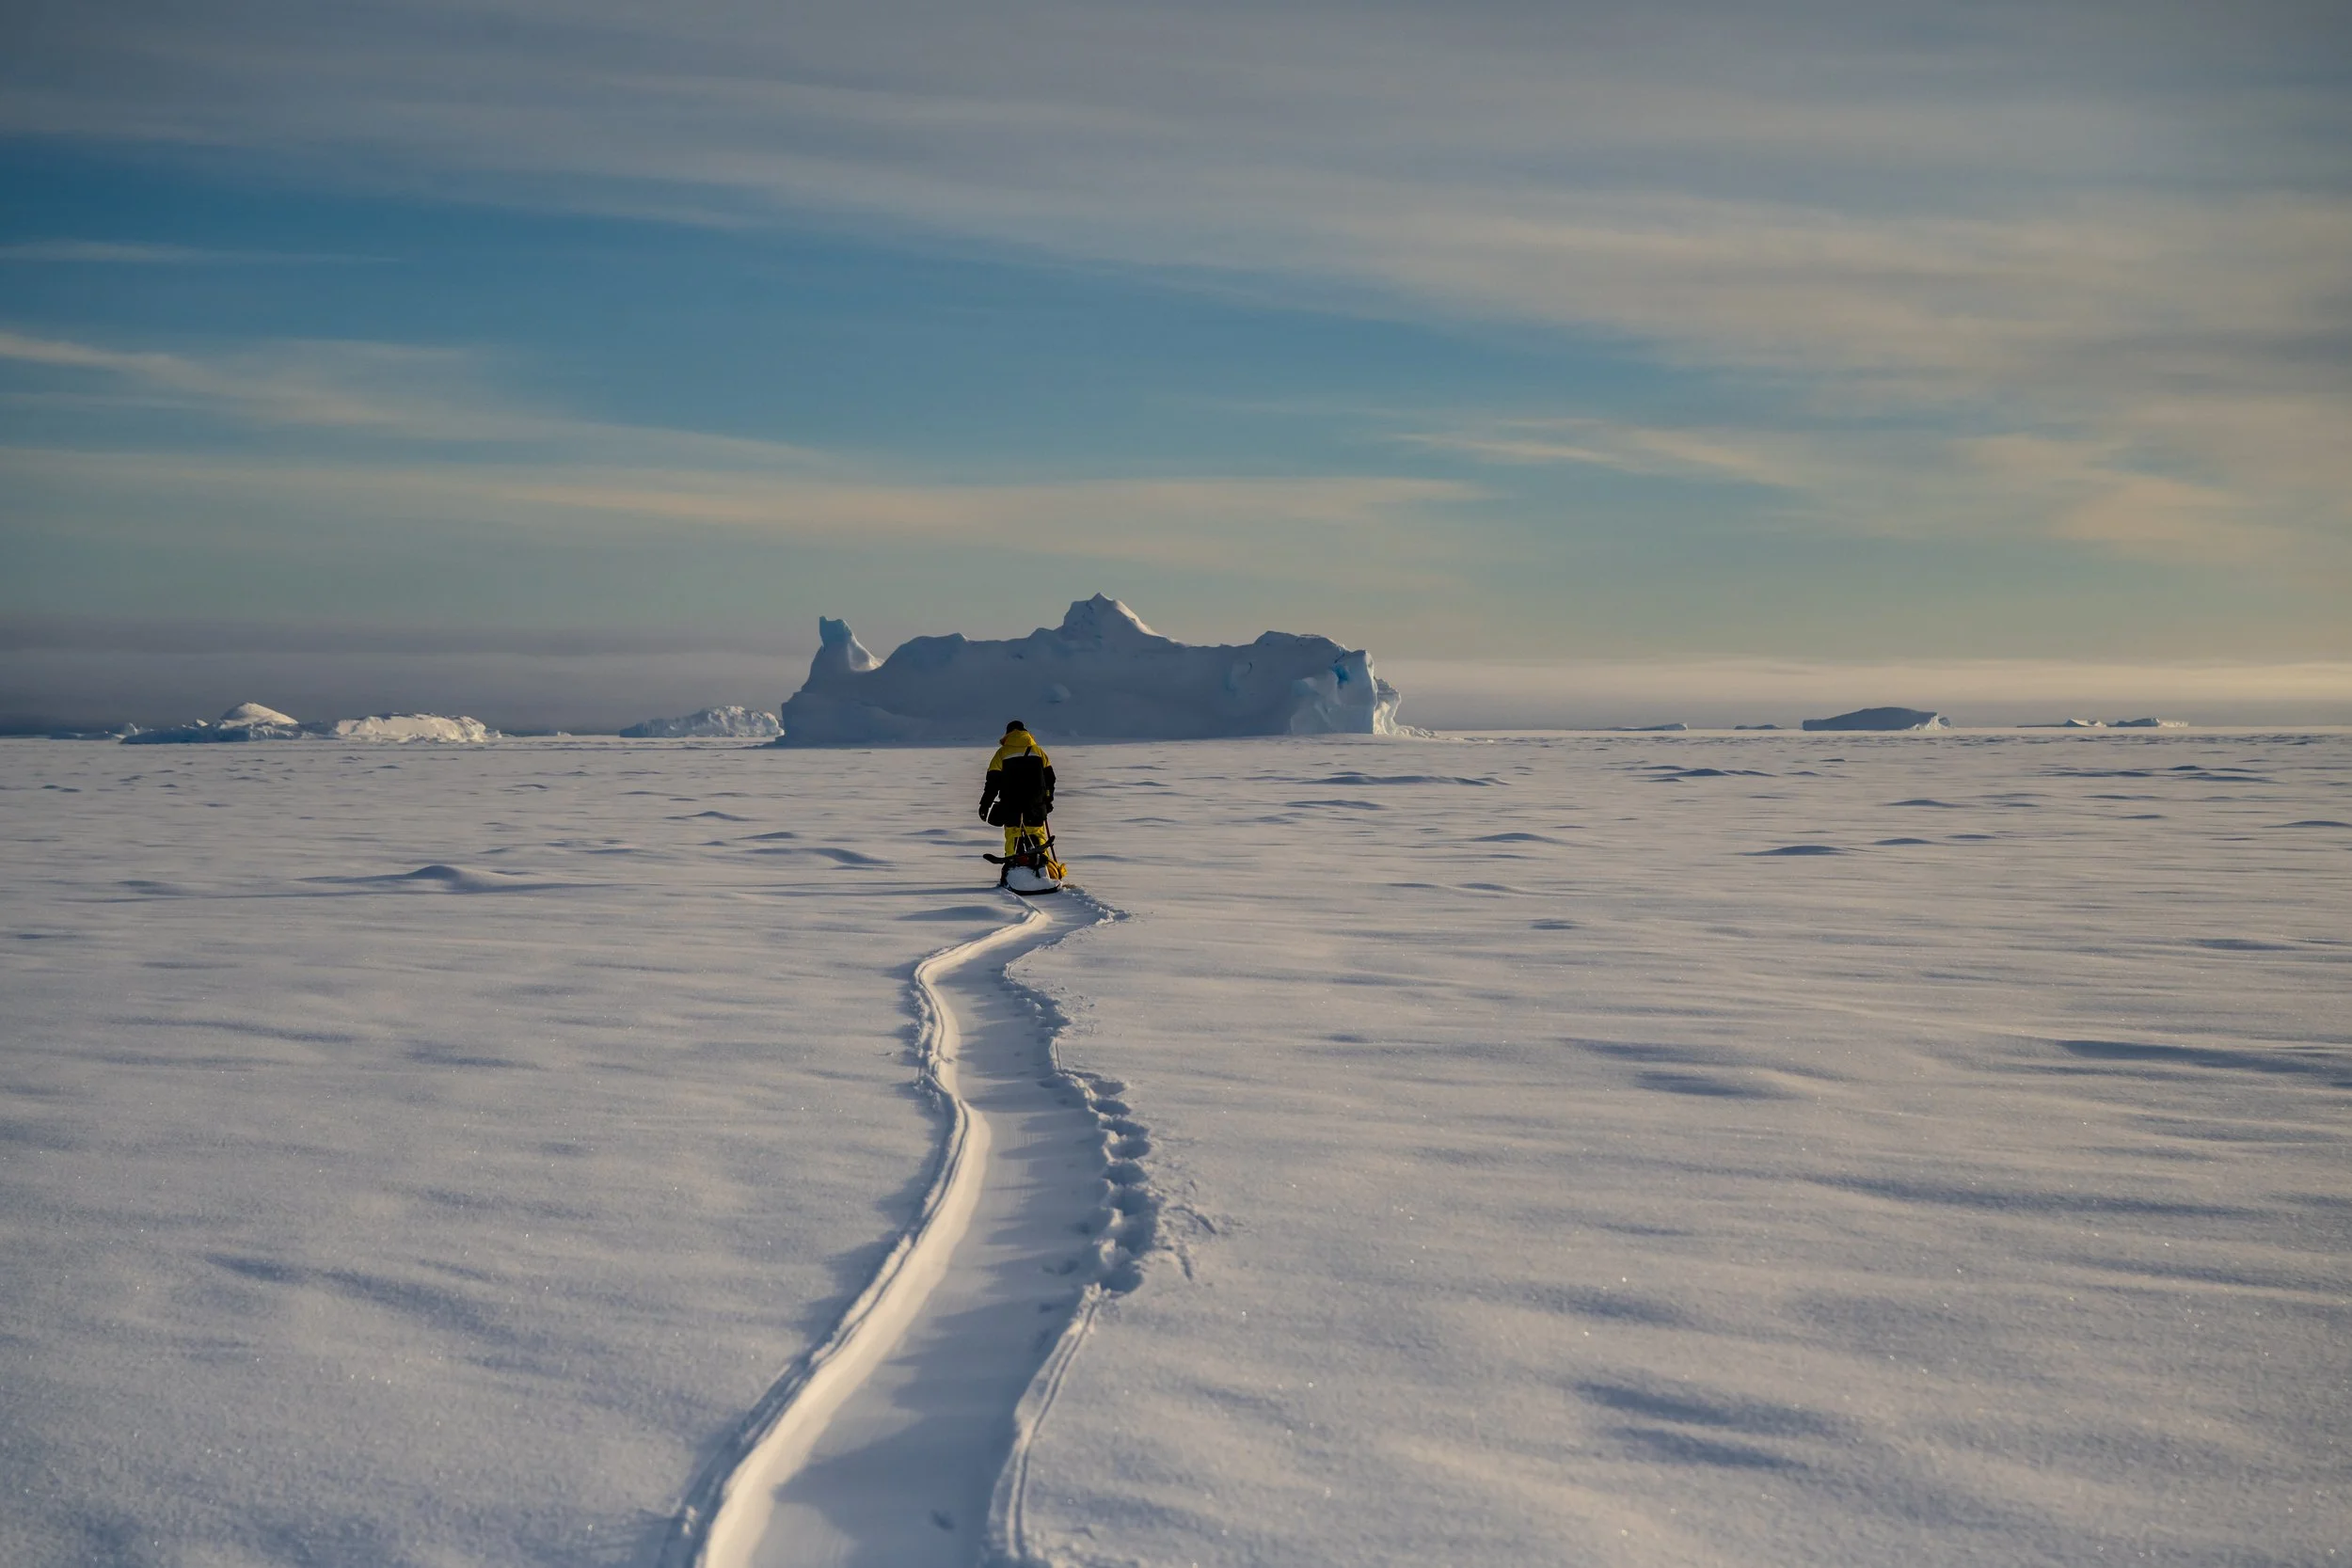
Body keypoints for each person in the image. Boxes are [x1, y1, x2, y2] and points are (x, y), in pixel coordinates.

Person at [978, 720, 1055, 883]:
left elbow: (992, 783)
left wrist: (985, 805)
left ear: (1008, 734)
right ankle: (1043, 868)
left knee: (1013, 835)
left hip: (1011, 804)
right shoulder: (1038, 751)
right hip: (1036, 804)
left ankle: (1012, 870)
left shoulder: (1001, 754)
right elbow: (1050, 779)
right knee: (1037, 833)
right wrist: (1048, 799)